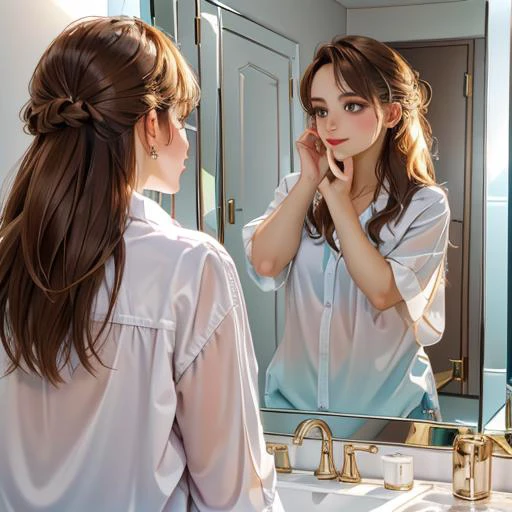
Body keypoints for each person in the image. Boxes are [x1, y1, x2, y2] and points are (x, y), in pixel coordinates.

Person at [0, 16, 282, 511]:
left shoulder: (9, 259)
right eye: (183, 119)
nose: (189, 139)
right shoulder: (190, 270)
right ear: (152, 125)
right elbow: (236, 496)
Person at [243, 35, 450, 422]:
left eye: (351, 105)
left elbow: (382, 290)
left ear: (391, 113)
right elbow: (266, 263)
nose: (331, 124)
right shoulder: (297, 187)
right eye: (320, 111)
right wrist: (310, 182)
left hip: (388, 416)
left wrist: (337, 199)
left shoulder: (424, 204)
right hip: (294, 413)